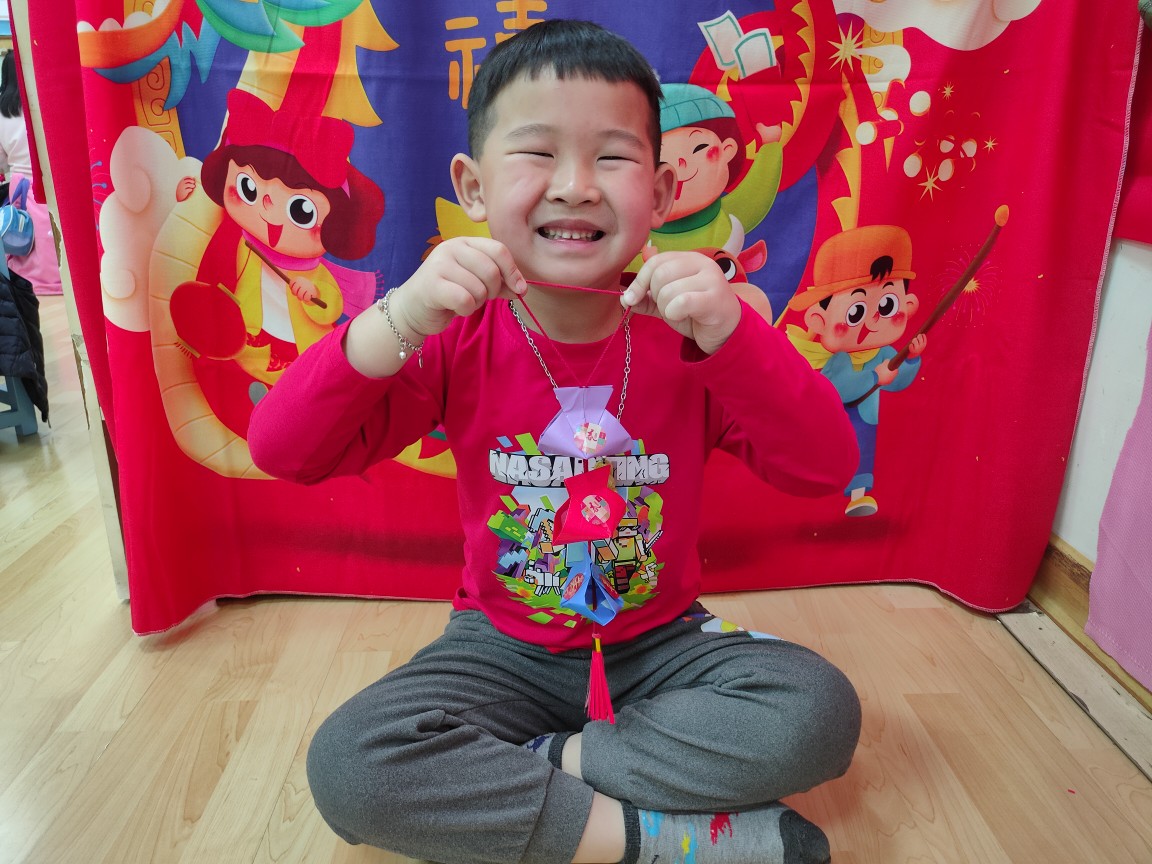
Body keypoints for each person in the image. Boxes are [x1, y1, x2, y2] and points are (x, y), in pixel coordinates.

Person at [248, 19, 861, 864]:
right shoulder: (452, 336)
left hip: (663, 643)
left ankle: (543, 766)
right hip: (499, 648)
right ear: (472, 185)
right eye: (537, 153)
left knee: (819, 712)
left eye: (613, 158)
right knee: (351, 767)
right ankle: (656, 837)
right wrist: (399, 316)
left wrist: (736, 337)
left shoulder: (697, 335)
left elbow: (825, 467)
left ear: (664, 191)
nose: (576, 187)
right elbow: (284, 449)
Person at [0, 50, 62, 296]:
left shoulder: (2, 113)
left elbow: (2, 161)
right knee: (54, 230)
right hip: (53, 179)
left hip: (21, 182)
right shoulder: (46, 103)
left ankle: (30, 278)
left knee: (26, 231)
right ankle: (62, 278)